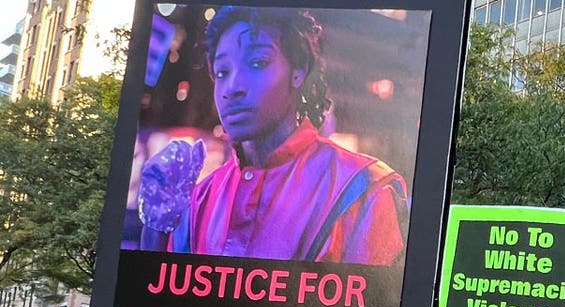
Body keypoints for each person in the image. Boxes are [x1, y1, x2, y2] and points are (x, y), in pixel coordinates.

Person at [139, 7, 408, 264]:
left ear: (298, 72)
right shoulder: (201, 197)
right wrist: (157, 228)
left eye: (258, 62)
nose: (231, 88)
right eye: (222, 72)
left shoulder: (364, 189)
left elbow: (378, 304)